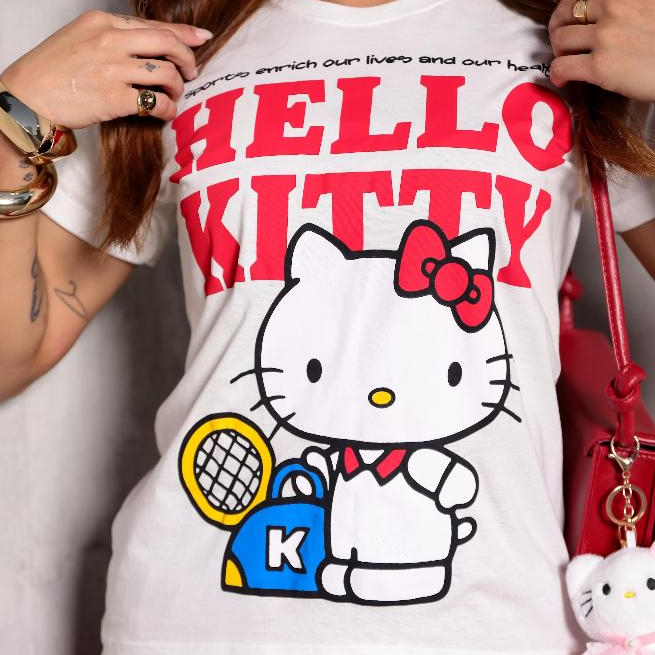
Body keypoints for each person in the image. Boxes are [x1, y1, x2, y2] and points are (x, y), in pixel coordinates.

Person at [1, 0, 655, 653]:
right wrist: (14, 118)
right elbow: (13, 357)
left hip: (495, 629)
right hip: (196, 623)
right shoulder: (179, 54)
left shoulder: (581, 45)